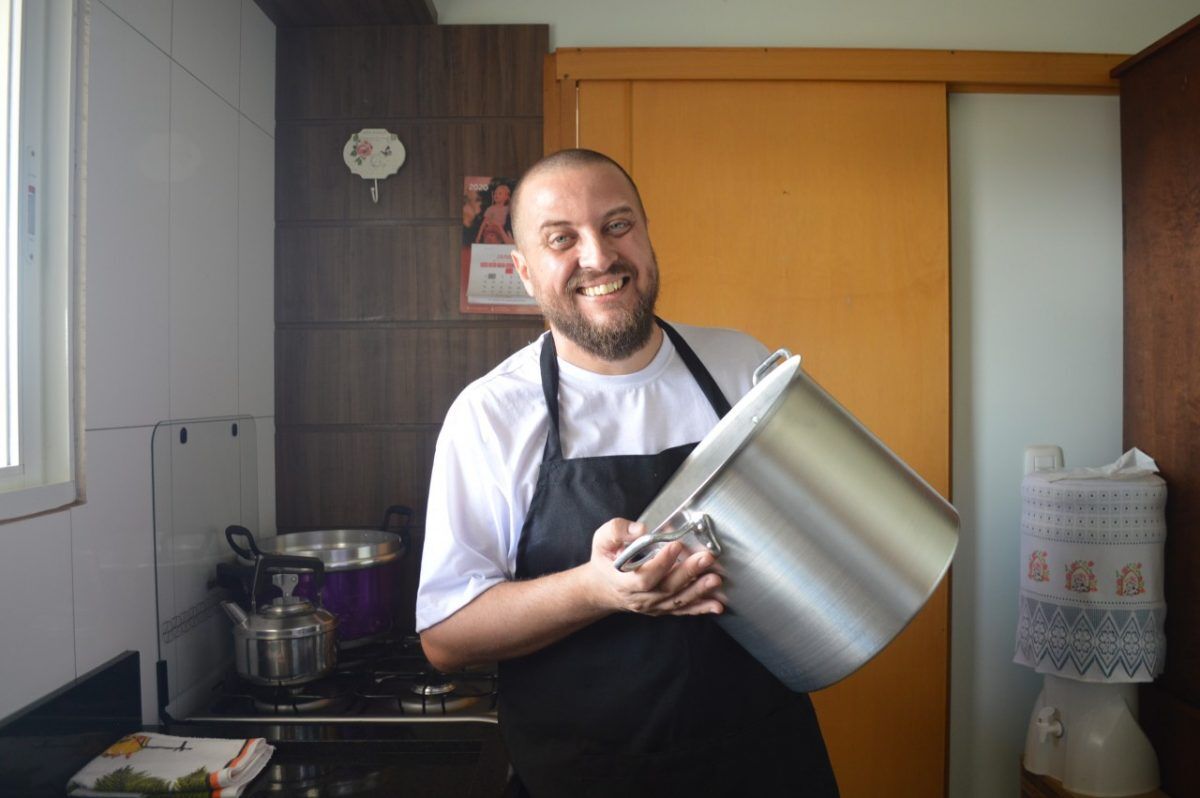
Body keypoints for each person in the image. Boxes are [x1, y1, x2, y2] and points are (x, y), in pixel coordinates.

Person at [417, 148, 838, 797]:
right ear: (526, 271)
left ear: (644, 234)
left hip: (766, 761)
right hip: (588, 775)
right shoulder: (492, 415)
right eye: (563, 239)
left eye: (618, 225)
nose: (599, 255)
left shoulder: (741, 367)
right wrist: (595, 589)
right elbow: (446, 637)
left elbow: (819, 526)